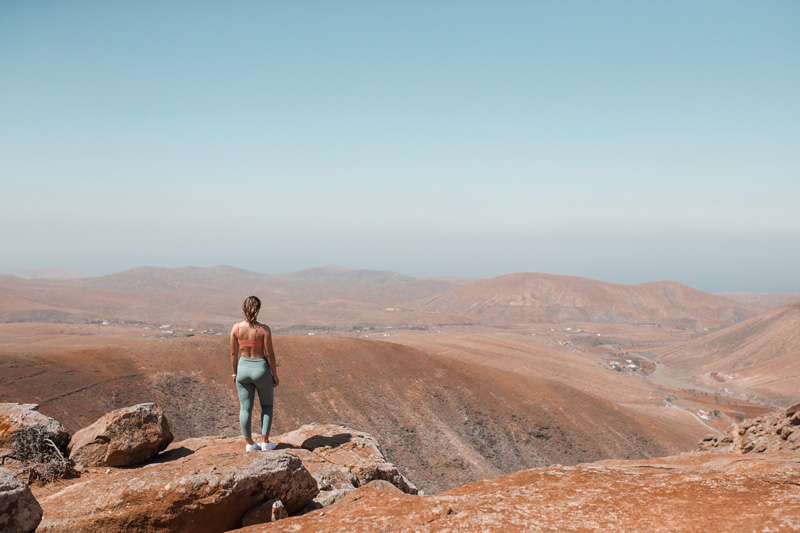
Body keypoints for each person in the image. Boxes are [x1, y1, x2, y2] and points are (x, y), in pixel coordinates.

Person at [229, 295, 279, 451]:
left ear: (244, 308)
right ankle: (265, 442)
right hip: (260, 370)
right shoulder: (264, 329)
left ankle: (250, 444)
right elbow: (270, 354)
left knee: (245, 408)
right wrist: (274, 374)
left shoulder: (236, 328)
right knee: (267, 406)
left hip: (243, 369)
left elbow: (233, 354)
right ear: (258, 309)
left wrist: (234, 373)